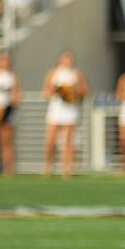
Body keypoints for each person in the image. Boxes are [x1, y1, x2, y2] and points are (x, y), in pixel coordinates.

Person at [43, 50, 88, 178]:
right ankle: (48, 167)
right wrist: (57, 91)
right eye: (65, 58)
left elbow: (85, 91)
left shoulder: (77, 74)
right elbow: (46, 92)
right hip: (56, 110)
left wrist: (74, 91)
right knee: (51, 141)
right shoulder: (53, 73)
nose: (68, 61)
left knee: (69, 141)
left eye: (70, 58)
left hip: (71, 110)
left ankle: (67, 169)